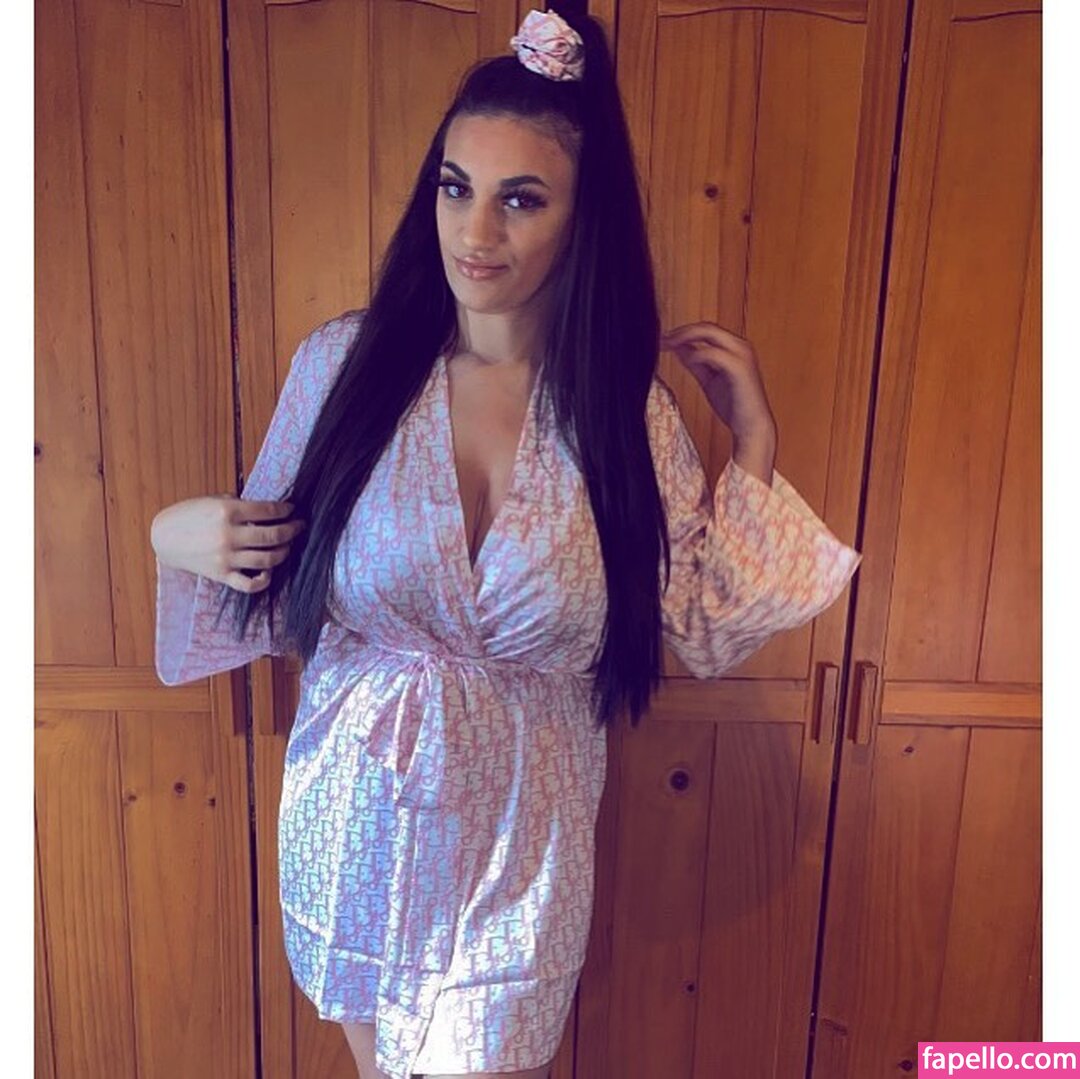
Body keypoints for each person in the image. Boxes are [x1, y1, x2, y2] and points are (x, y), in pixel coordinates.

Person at [150, 8, 861, 1079]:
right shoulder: (344, 367)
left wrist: (753, 442)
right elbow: (255, 568)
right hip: (357, 825)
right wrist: (170, 530)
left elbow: (703, 621)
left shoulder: (623, 411)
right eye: (456, 187)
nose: (474, 231)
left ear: (581, 217)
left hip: (525, 851)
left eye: (520, 198)